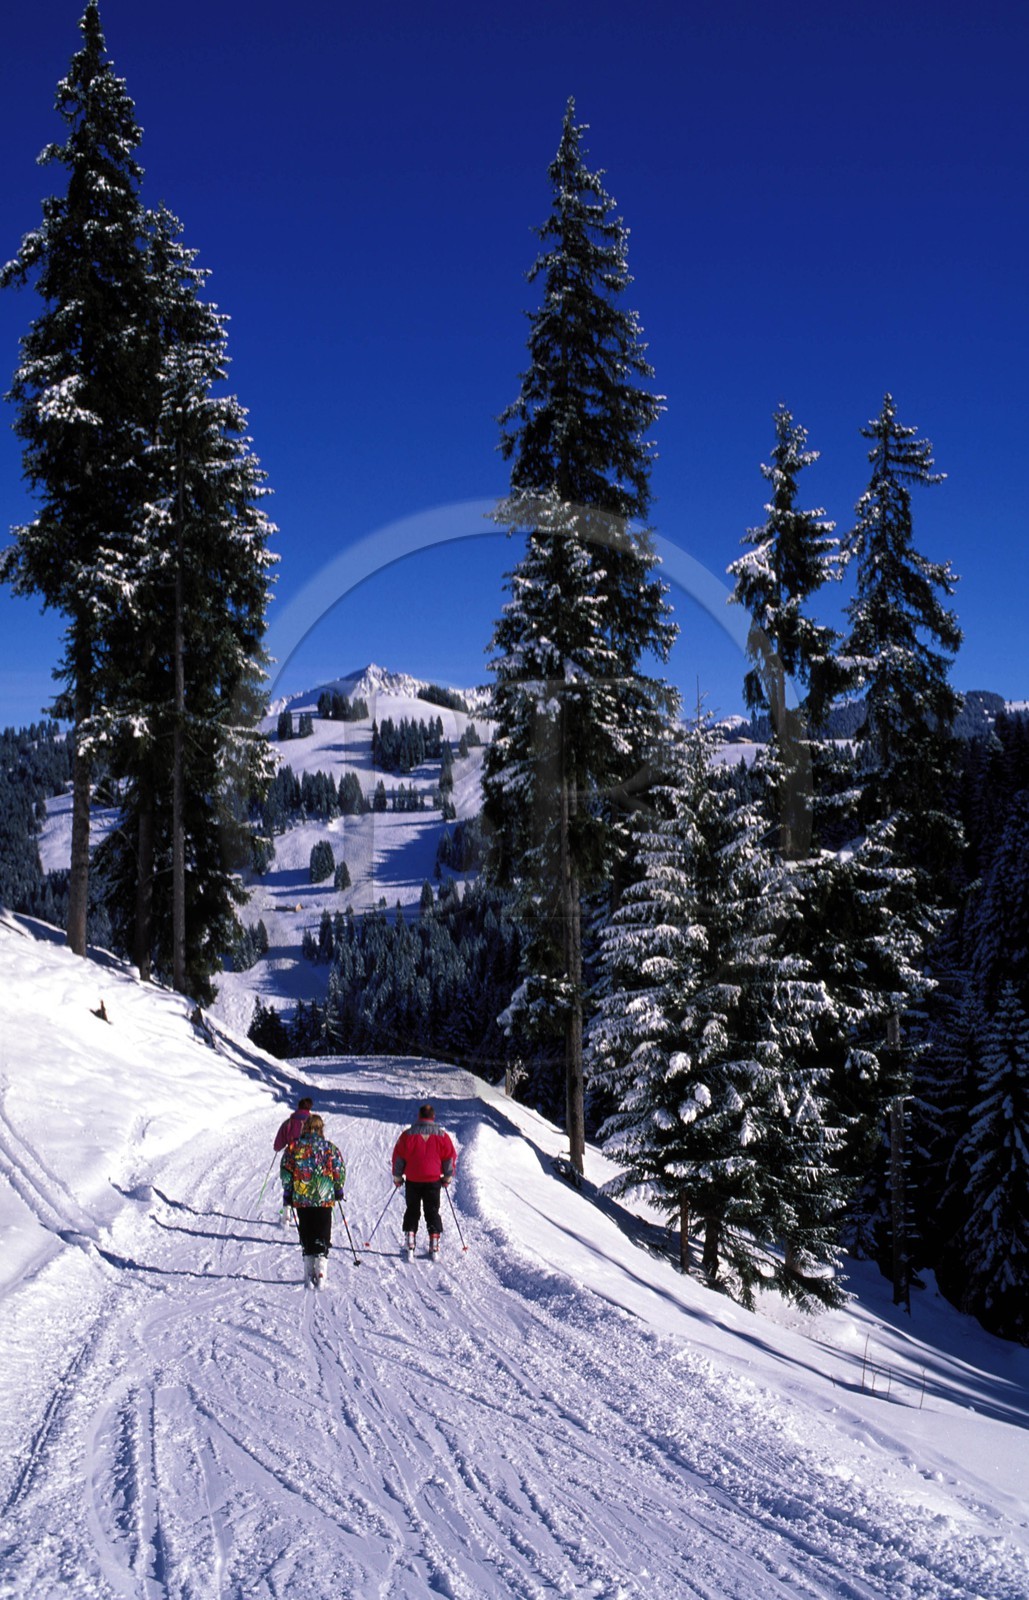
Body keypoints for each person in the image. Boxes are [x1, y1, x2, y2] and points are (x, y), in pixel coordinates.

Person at [280, 1113, 347, 1287]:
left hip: (302, 1197)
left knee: (306, 1229)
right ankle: (322, 1265)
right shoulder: (329, 1148)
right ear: (321, 1129)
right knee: (323, 1228)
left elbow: (286, 1170)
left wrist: (288, 1192)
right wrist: (338, 1188)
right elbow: (338, 1169)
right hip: (324, 1197)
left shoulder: (294, 1147)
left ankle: (308, 1267)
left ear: (305, 1128)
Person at [392, 1102, 457, 1256]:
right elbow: (449, 1157)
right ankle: (434, 1243)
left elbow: (399, 1157)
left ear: (419, 1116)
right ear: (433, 1117)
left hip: (413, 1179)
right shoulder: (442, 1135)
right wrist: (447, 1177)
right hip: (433, 1180)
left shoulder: (407, 1134)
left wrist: (397, 1176)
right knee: (432, 1210)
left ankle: (410, 1239)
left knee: (412, 1209)